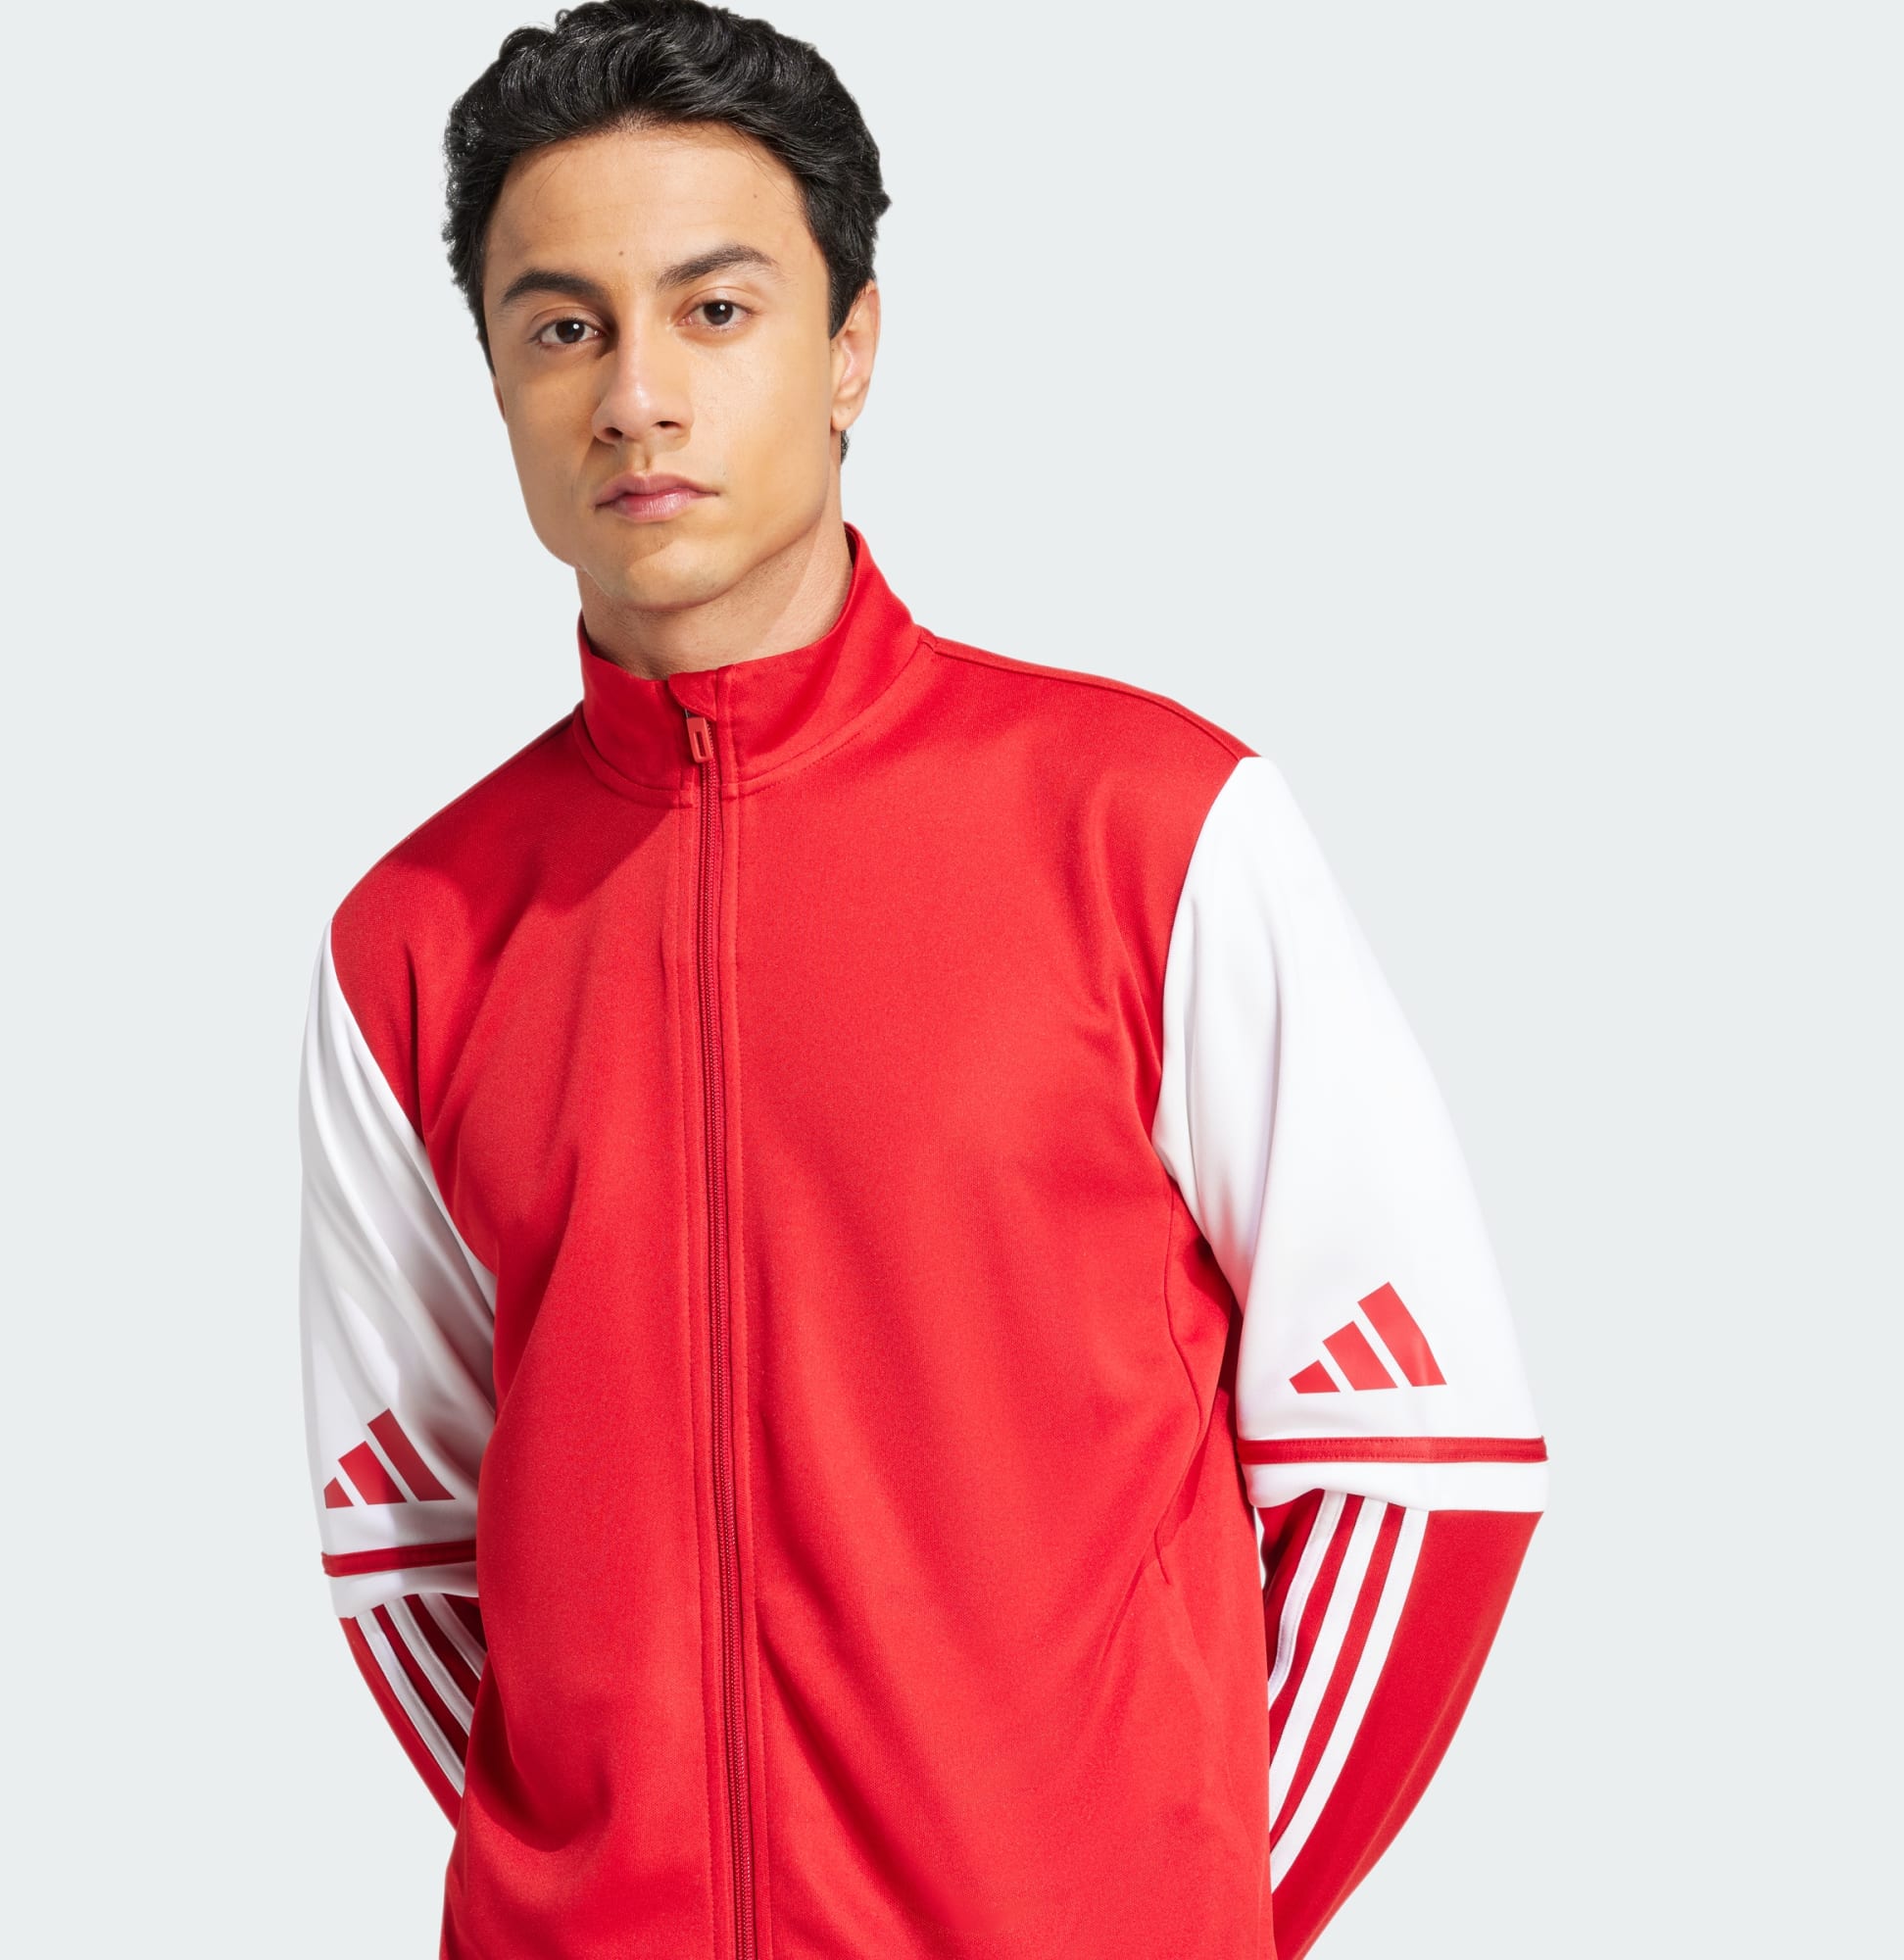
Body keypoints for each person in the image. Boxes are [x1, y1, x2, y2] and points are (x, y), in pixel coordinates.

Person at [296, 4, 1548, 1955]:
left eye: (716, 311)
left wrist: (1176, 1915)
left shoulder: (1147, 824)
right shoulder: (417, 934)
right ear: (499, 378)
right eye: (563, 328)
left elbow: (1421, 1462)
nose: (638, 396)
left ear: (851, 347)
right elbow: (408, 1536)